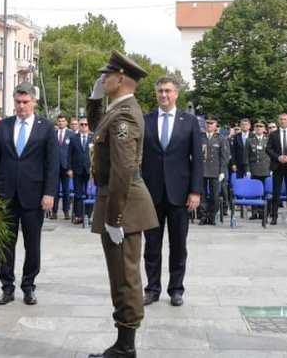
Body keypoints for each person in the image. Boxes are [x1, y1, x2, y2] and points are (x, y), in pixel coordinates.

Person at [86, 51, 158, 358]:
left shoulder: (126, 113)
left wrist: (114, 218)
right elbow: (96, 128)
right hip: (118, 203)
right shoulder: (117, 109)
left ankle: (126, 347)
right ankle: (122, 343)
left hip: (123, 206)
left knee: (126, 277)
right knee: (120, 274)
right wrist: (94, 98)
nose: (102, 79)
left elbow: (123, 170)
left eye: (106, 75)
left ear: (120, 79)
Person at [0, 82, 58, 306]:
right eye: (17, 102)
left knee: (32, 244)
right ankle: (7, 287)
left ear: (34, 102)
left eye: (25, 102)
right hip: (6, 194)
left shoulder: (46, 127)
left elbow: (52, 164)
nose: (21, 106)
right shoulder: (4, 126)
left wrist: (49, 193)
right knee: (6, 244)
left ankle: (29, 286)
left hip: (34, 195)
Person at [141, 76, 203, 307]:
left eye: (168, 91)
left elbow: (197, 159)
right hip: (151, 194)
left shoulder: (189, 122)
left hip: (180, 194)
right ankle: (152, 289)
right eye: (160, 91)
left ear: (176, 93)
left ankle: (176, 289)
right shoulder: (145, 120)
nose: (164, 95)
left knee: (178, 246)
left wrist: (195, 191)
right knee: (151, 246)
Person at [266, 113, 287, 225]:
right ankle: (274, 217)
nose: (283, 121)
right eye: (281, 119)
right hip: (277, 166)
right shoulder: (273, 134)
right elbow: (268, 149)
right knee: (276, 193)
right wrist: (278, 157)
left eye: (285, 119)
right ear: (278, 121)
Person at [199, 115, 229, 225]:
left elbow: (224, 156)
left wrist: (222, 171)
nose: (209, 125)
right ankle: (203, 216)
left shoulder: (221, 138)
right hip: (202, 170)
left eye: (212, 123)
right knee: (201, 195)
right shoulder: (199, 137)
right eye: (207, 123)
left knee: (215, 196)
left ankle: (211, 216)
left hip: (215, 171)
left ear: (216, 125)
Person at [69, 116, 93, 225]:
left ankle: (88, 215)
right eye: (81, 124)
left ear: (88, 126)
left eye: (86, 124)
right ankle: (78, 216)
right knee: (78, 194)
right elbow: (69, 155)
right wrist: (69, 169)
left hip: (90, 171)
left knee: (90, 194)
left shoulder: (93, 138)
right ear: (78, 125)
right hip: (77, 170)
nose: (83, 126)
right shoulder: (74, 138)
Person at [53, 115, 75, 220]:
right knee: (54, 190)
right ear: (57, 122)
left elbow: (72, 153)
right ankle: (54, 212)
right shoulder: (53, 134)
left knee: (66, 190)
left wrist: (71, 167)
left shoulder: (71, 134)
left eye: (63, 121)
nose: (61, 123)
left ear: (66, 123)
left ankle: (66, 211)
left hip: (66, 166)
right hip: (55, 166)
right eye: (59, 121)